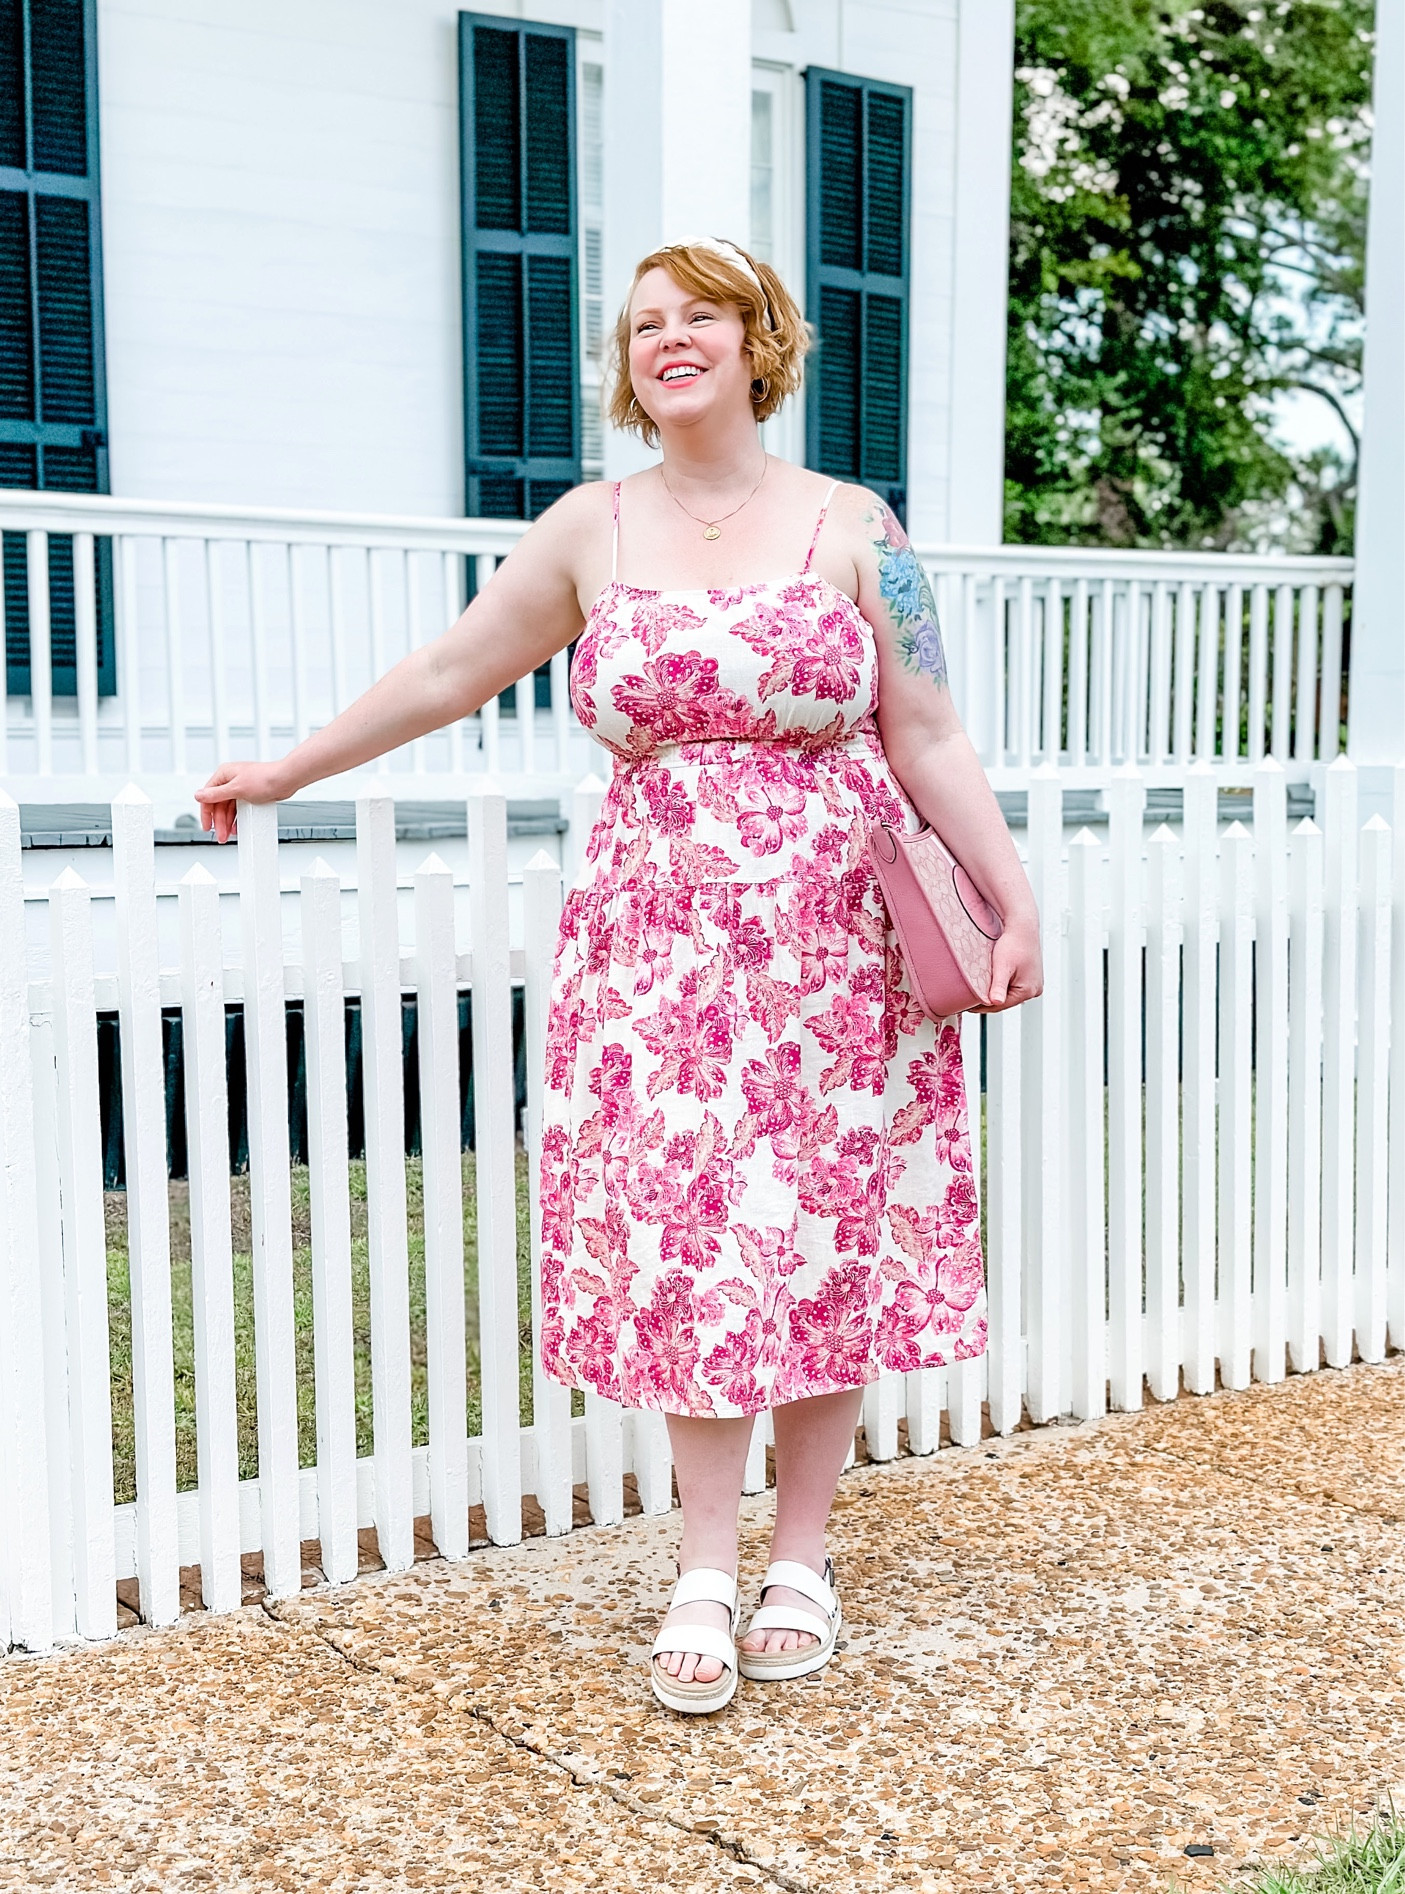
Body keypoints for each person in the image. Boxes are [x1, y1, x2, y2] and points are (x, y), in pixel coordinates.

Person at [196, 237, 1042, 1718]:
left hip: (834, 945)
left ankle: (801, 1556)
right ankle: (702, 1568)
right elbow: (449, 674)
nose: (669, 338)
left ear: (757, 339)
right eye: (645, 322)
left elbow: (927, 731)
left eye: (698, 314)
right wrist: (284, 767)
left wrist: (1009, 890)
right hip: (654, 955)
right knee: (686, 1240)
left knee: (819, 1233)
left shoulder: (856, 527)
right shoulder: (591, 527)